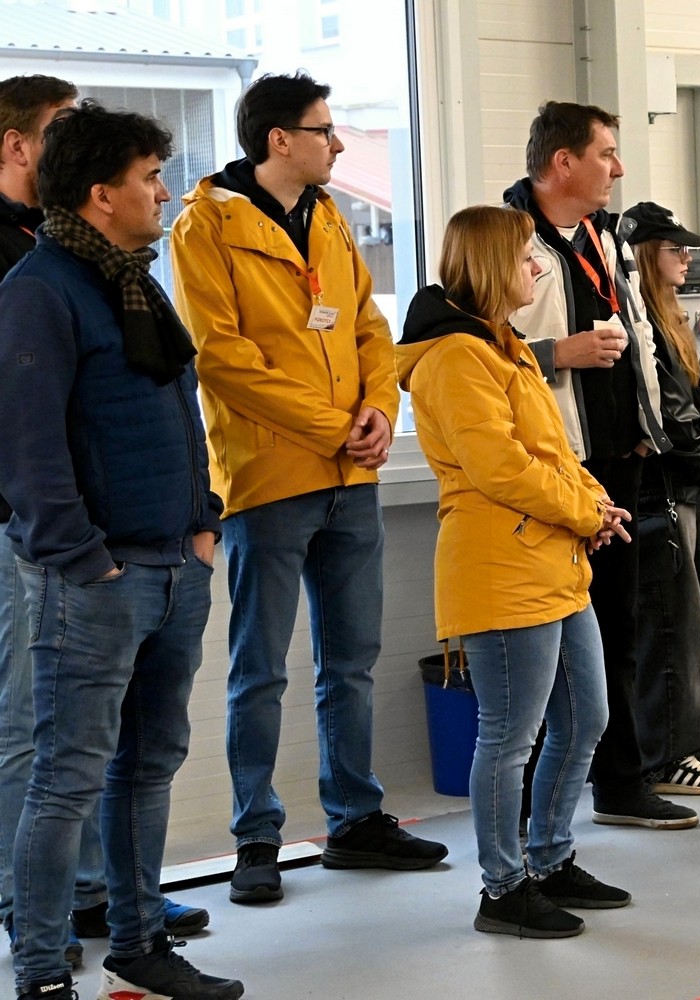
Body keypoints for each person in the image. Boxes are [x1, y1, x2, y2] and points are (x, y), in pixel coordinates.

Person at [171, 72, 447, 905]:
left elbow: (368, 327)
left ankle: (355, 819)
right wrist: (333, 426)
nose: (337, 143)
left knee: (350, 662)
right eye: (325, 130)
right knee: (259, 669)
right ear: (279, 139)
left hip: (350, 475)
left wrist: (378, 409)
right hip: (267, 478)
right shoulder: (204, 227)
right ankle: (256, 836)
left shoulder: (328, 217)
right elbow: (222, 359)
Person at [0, 100, 242, 1000]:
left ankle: (140, 944)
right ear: (102, 194)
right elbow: (26, 448)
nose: (164, 193)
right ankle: (40, 974)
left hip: (174, 562)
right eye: (150, 179)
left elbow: (180, 411)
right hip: (97, 578)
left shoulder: (135, 282)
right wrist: (84, 559)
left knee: (148, 766)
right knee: (67, 779)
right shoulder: (39, 290)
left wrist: (204, 522)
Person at [397, 204, 631, 938]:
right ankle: (502, 888)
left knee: (585, 717)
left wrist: (596, 503)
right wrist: (584, 512)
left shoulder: (506, 347)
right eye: (527, 258)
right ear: (494, 265)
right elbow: (499, 467)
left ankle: (550, 859)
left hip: (551, 558)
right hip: (500, 566)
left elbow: (551, 449)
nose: (536, 268)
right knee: (509, 736)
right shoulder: (455, 357)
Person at [504, 102, 694, 831]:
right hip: (553, 471)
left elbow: (637, 335)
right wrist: (557, 353)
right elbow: (470, 351)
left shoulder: (604, 236)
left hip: (620, 460)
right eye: (606, 154)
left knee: (620, 626)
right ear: (563, 163)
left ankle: (620, 781)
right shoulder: (505, 238)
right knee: (547, 641)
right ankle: (526, 804)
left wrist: (647, 427)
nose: (618, 168)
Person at [621, 201, 700, 795]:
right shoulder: (637, 319)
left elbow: (699, 407)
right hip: (664, 491)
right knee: (678, 632)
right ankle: (669, 753)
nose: (687, 259)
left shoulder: (671, 317)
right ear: (648, 255)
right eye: (676, 249)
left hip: (697, 486)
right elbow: (670, 417)